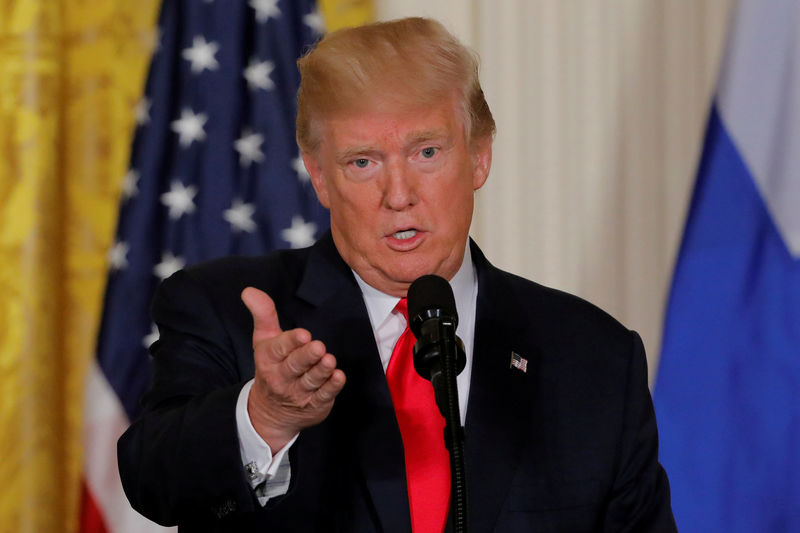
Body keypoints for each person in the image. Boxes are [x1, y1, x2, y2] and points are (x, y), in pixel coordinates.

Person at [118, 17, 676, 532]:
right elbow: (152, 479)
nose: (400, 195)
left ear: (479, 156)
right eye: (363, 162)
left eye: (427, 152)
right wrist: (266, 416)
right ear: (318, 175)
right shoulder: (226, 310)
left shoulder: (594, 355)